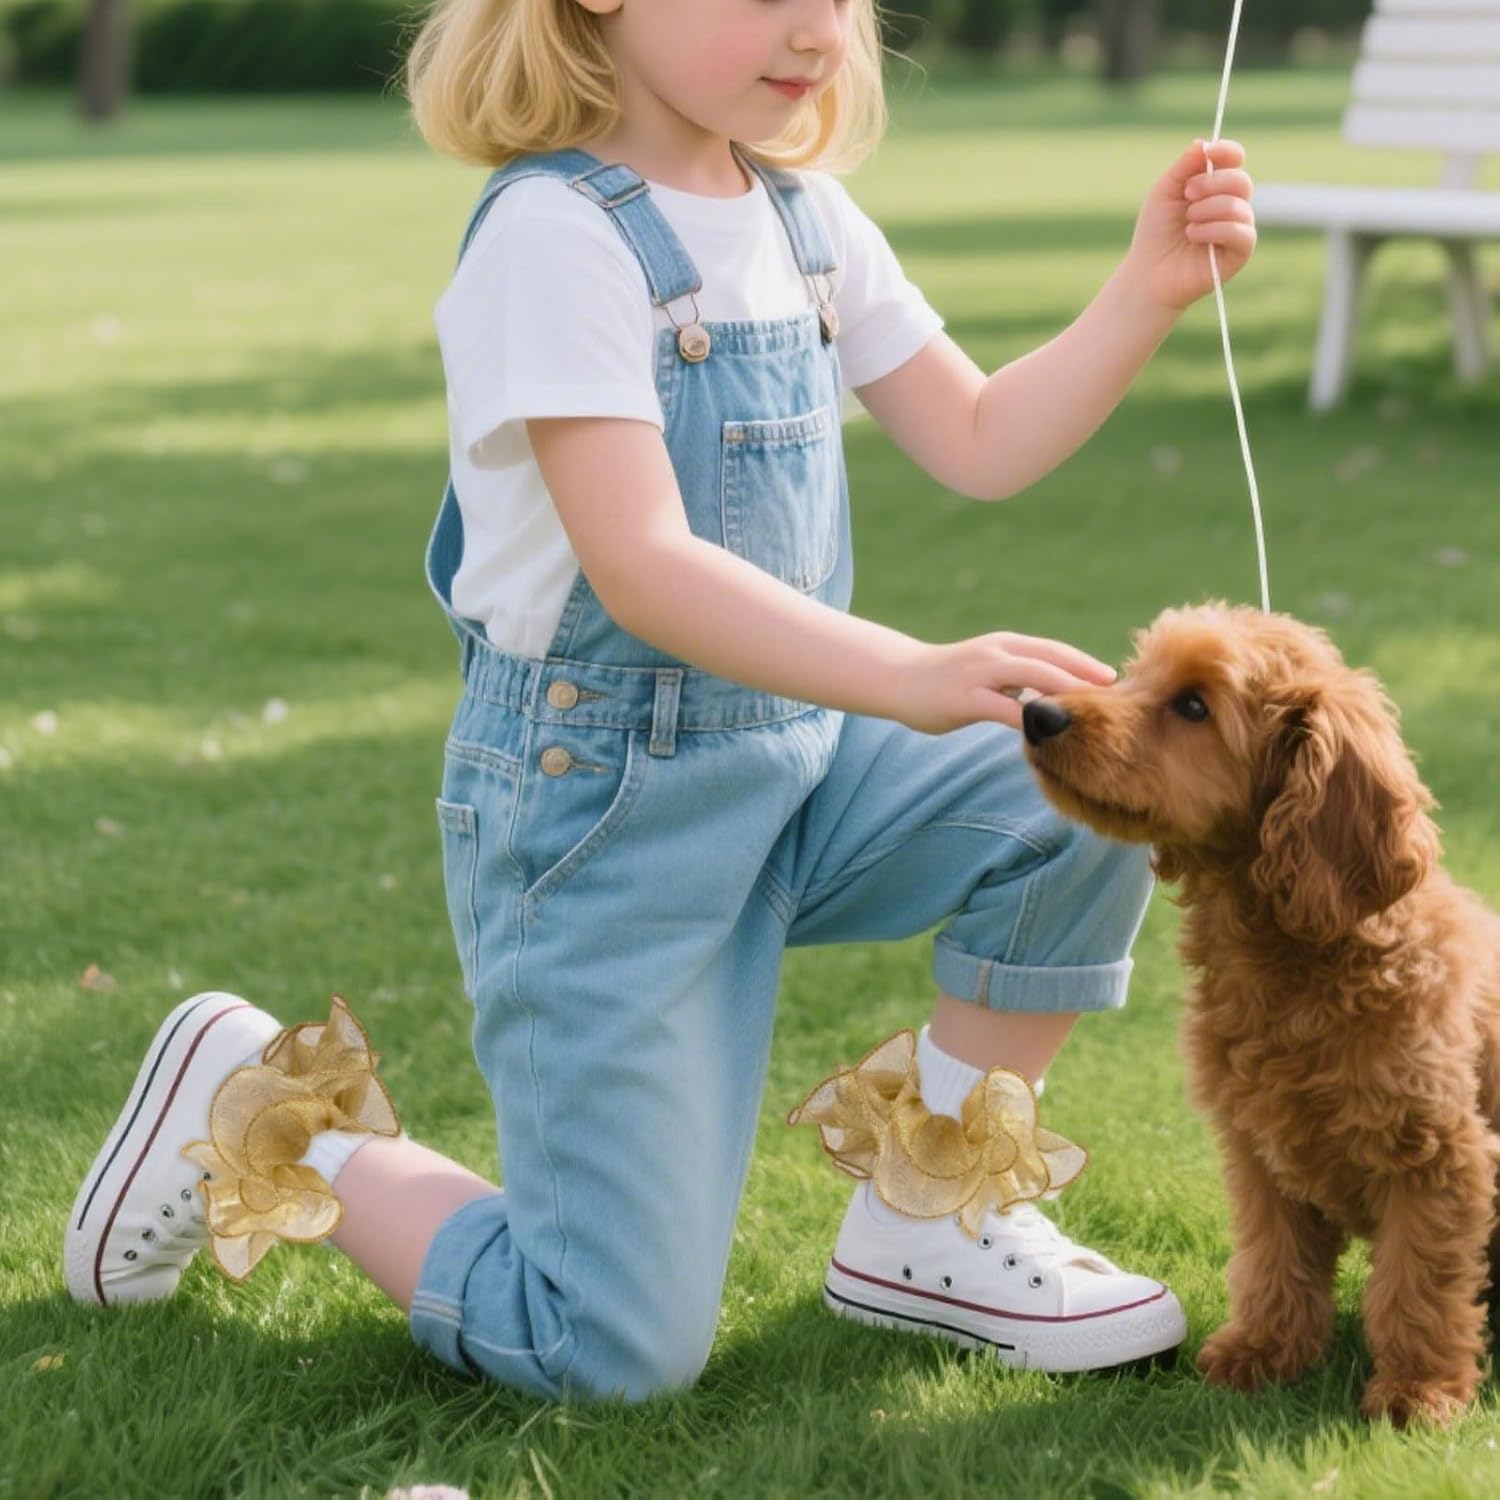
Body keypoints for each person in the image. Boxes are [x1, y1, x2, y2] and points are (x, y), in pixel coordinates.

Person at [63, 0, 1256, 1401]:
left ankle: (932, 1216)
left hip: (799, 770)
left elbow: (982, 438)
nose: (818, 28)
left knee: (1081, 788)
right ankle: (257, 1103)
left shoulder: (804, 216)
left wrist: (1147, 289)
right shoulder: (553, 235)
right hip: (601, 814)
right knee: (610, 1348)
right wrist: (910, 674)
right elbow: (639, 567)